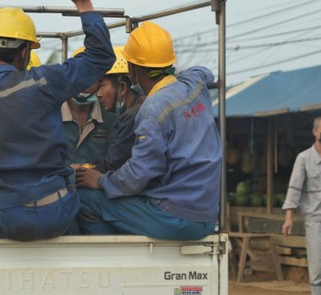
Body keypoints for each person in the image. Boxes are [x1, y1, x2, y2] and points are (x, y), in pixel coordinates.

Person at [0, 0, 115, 241]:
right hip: (56, 213)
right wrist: (83, 3)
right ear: (24, 52)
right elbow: (101, 56)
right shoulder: (46, 82)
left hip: (2, 218)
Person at [76, 21, 221, 241]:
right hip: (207, 216)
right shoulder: (195, 84)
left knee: (84, 199)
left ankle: (114, 261)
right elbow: (204, 72)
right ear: (169, 61)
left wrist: (100, 181)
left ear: (132, 71)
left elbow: (138, 175)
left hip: (174, 218)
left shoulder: (151, 110)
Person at [281, 116, 321, 295]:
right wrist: (288, 219)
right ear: (315, 132)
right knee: (318, 269)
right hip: (315, 221)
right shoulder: (304, 158)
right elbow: (294, 188)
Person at [61, 48, 116, 171]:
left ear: (100, 81)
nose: (83, 83)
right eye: (78, 76)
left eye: (90, 77)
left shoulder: (111, 115)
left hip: (97, 187)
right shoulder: (51, 113)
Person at [94, 46, 145, 172]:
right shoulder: (142, 105)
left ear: (122, 87)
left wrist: (87, 171)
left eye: (102, 86)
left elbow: (114, 163)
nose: (98, 94)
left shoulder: (131, 116)